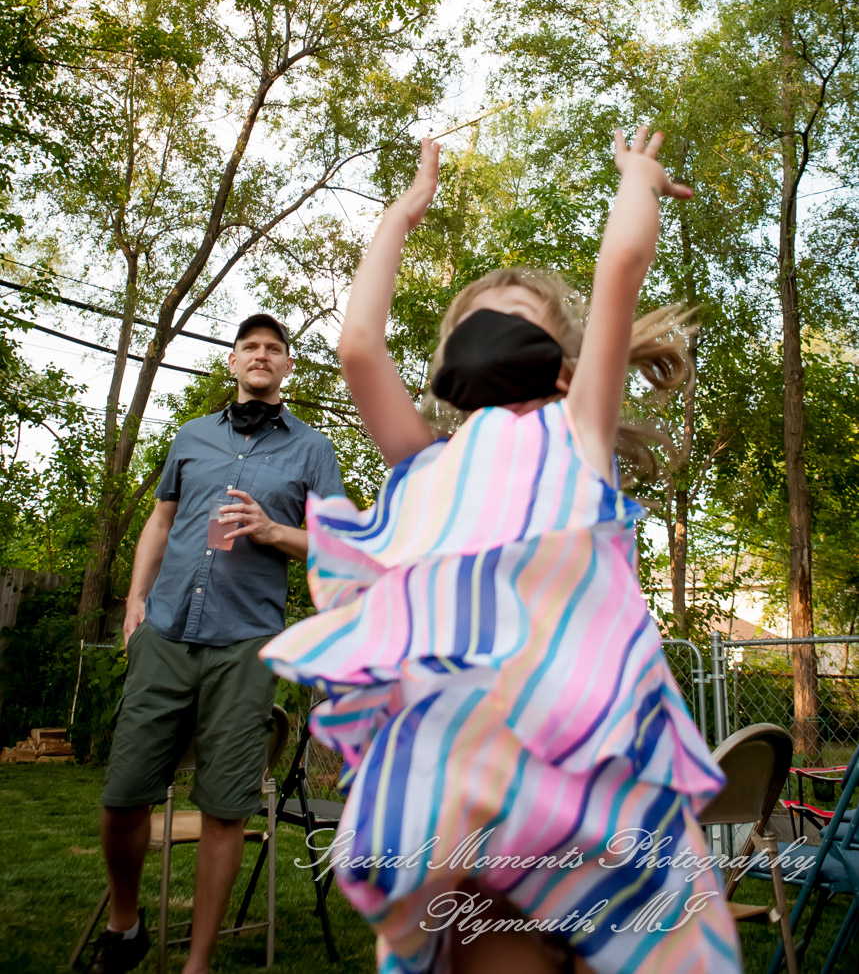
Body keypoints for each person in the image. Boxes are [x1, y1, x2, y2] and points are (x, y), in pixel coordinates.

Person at [261, 130, 743, 974]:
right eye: (470, 325)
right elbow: (357, 347)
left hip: (581, 759)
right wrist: (401, 215)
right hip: (470, 771)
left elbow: (620, 264)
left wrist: (636, 177)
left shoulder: (576, 432)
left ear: (562, 365)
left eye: (513, 323)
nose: (489, 334)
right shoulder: (425, 459)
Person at [86, 312, 343, 974]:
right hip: (167, 630)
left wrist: (272, 531)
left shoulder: (312, 450)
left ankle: (198, 963)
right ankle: (125, 922)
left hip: (245, 643)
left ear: (288, 367)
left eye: (273, 349)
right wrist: (137, 599)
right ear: (231, 363)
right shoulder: (190, 438)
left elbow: (338, 545)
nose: (260, 355)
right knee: (122, 796)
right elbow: (160, 519)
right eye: (248, 347)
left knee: (226, 807)